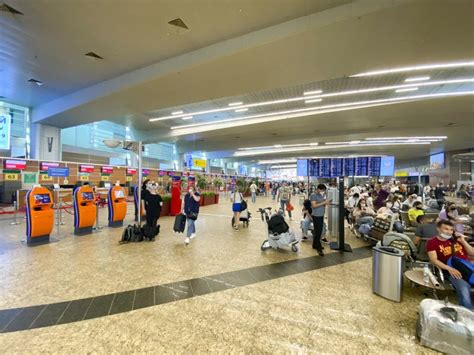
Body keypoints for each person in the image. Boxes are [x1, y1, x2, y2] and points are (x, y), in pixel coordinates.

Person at [427, 220, 474, 310]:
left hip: (467, 267)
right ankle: (469, 313)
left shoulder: (455, 240)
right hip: (452, 270)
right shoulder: (432, 242)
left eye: (451, 230)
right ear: (438, 229)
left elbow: (472, 253)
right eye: (446, 229)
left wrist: (463, 241)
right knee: (464, 290)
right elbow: (433, 260)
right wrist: (449, 269)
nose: (449, 232)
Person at [310, 184, 331, 256]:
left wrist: (326, 203)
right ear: (318, 189)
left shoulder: (320, 196)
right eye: (322, 190)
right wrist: (324, 202)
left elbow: (321, 204)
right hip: (316, 215)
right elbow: (314, 205)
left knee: (318, 230)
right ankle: (318, 248)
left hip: (321, 215)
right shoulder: (313, 195)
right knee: (318, 232)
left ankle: (314, 245)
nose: (323, 192)